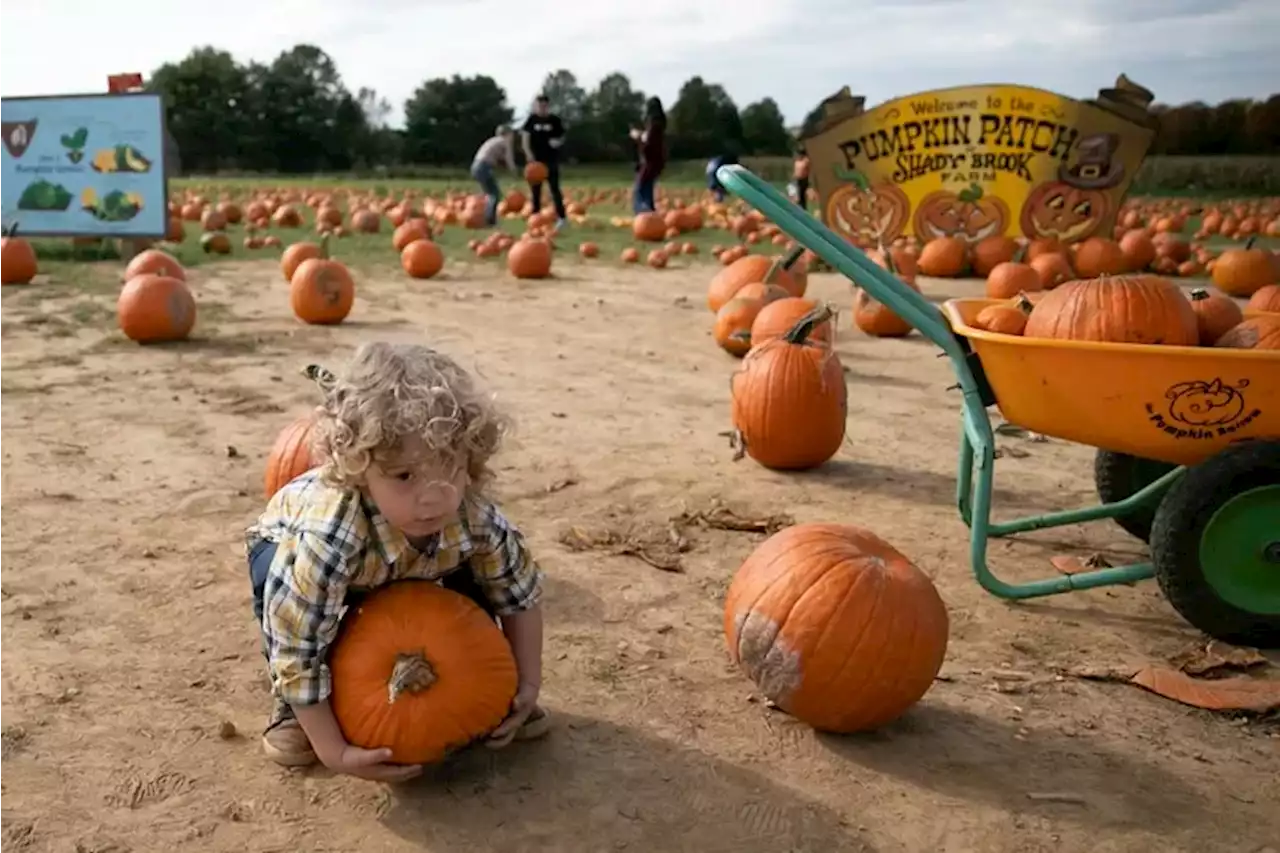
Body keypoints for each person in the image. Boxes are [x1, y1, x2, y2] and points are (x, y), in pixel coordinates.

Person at [244, 342, 548, 781]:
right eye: (405, 475)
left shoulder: (472, 514)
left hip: (406, 558)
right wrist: (335, 751)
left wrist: (525, 683)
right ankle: (294, 712)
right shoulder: (329, 539)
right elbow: (297, 641)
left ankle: (488, 682)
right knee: (304, 619)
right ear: (360, 469)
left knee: (476, 575)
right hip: (289, 552)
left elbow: (519, 595)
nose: (432, 495)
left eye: (450, 467)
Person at [521, 94, 568, 230]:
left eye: (545, 106)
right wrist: (528, 154)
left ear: (548, 106)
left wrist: (557, 142)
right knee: (535, 191)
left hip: (551, 160)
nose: (542, 108)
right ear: (536, 106)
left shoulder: (554, 120)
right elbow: (525, 138)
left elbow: (562, 136)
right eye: (539, 105)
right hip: (536, 162)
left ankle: (562, 218)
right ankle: (535, 217)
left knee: (555, 189)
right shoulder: (531, 120)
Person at [471, 126, 518, 227]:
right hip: (483, 167)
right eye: (512, 134)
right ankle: (490, 221)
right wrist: (514, 170)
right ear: (508, 134)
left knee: (489, 193)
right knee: (494, 194)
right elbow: (508, 157)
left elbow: (496, 157)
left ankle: (482, 216)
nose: (513, 137)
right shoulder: (504, 141)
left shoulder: (494, 141)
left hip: (476, 166)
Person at [629, 97, 667, 214]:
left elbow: (648, 144)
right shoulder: (659, 124)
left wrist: (637, 136)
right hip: (655, 162)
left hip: (650, 162)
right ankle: (650, 214)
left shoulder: (654, 125)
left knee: (640, 191)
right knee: (647, 190)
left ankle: (644, 215)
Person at [793, 145, 811, 211]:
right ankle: (800, 206)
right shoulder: (798, 160)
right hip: (798, 179)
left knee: (802, 195)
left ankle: (803, 208)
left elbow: (807, 169)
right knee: (798, 194)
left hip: (803, 179)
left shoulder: (806, 160)